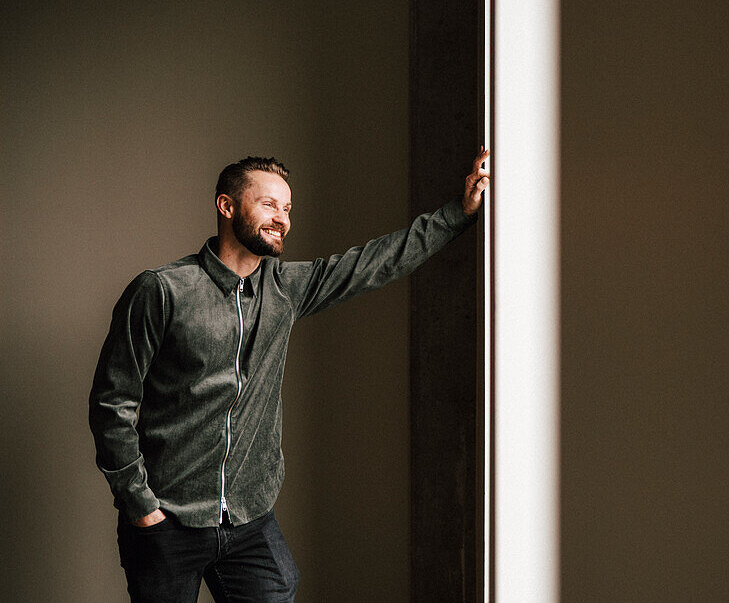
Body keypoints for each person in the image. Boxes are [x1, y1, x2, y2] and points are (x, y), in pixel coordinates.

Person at [89, 147, 490, 602]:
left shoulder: (285, 288)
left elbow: (375, 262)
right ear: (227, 206)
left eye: (287, 208)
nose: (282, 218)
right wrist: (140, 506)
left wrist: (458, 214)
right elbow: (112, 402)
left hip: (249, 520)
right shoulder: (162, 291)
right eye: (268, 204)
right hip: (168, 521)